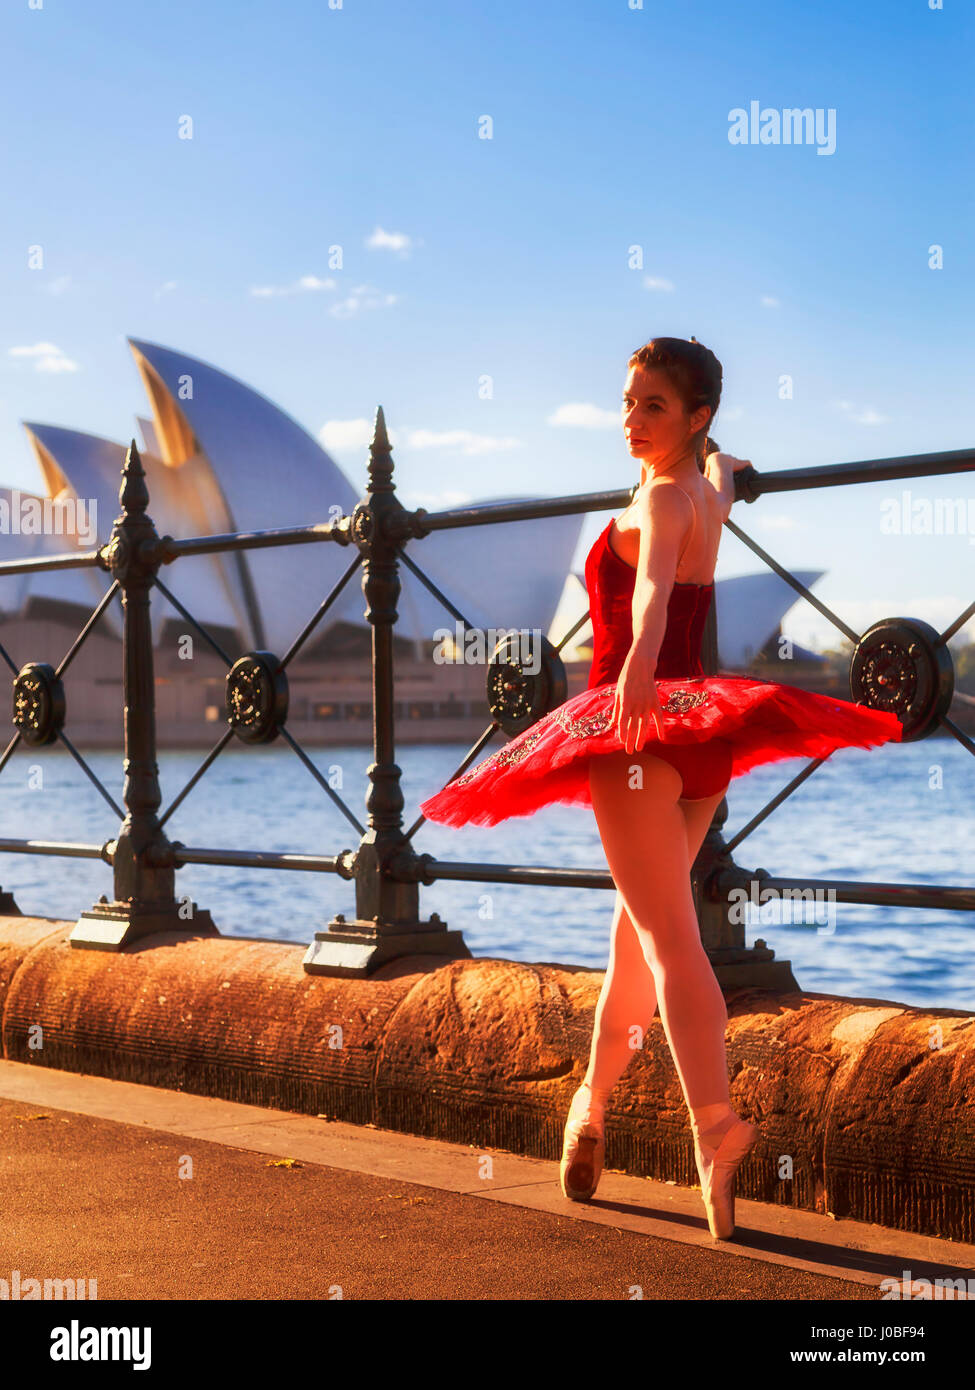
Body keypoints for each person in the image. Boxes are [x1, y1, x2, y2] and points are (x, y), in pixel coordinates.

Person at [418, 336, 903, 1240]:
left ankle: (715, 1130)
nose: (629, 420)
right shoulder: (702, 489)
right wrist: (722, 461)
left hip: (636, 729)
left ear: (694, 414)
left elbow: (648, 592)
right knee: (635, 942)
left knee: (671, 943)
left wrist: (636, 672)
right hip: (700, 740)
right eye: (628, 402)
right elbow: (708, 498)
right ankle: (589, 1112)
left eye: (650, 406)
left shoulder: (658, 496)